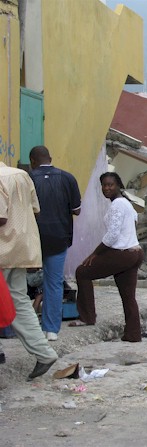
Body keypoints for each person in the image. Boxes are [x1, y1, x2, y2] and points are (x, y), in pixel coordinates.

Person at [69, 172, 144, 342]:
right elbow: (134, 221)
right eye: (104, 185)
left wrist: (94, 254)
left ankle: (87, 317)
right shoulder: (126, 203)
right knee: (128, 296)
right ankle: (133, 334)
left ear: (118, 186)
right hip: (135, 252)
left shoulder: (118, 204)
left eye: (111, 185)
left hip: (122, 253)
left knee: (82, 272)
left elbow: (112, 236)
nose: (107, 188)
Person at [0, 161, 58, 380]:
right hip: (22, 246)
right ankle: (44, 352)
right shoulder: (22, 175)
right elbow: (35, 209)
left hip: (3, 249)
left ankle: (43, 352)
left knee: (12, 300)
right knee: (18, 300)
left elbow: (1, 217)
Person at [29, 145, 81, 341]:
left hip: (33, 239)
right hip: (59, 238)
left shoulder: (28, 178)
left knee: (16, 284)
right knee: (54, 283)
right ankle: (51, 330)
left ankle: (12, 329)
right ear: (50, 158)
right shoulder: (68, 178)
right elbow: (77, 210)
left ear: (32, 161)